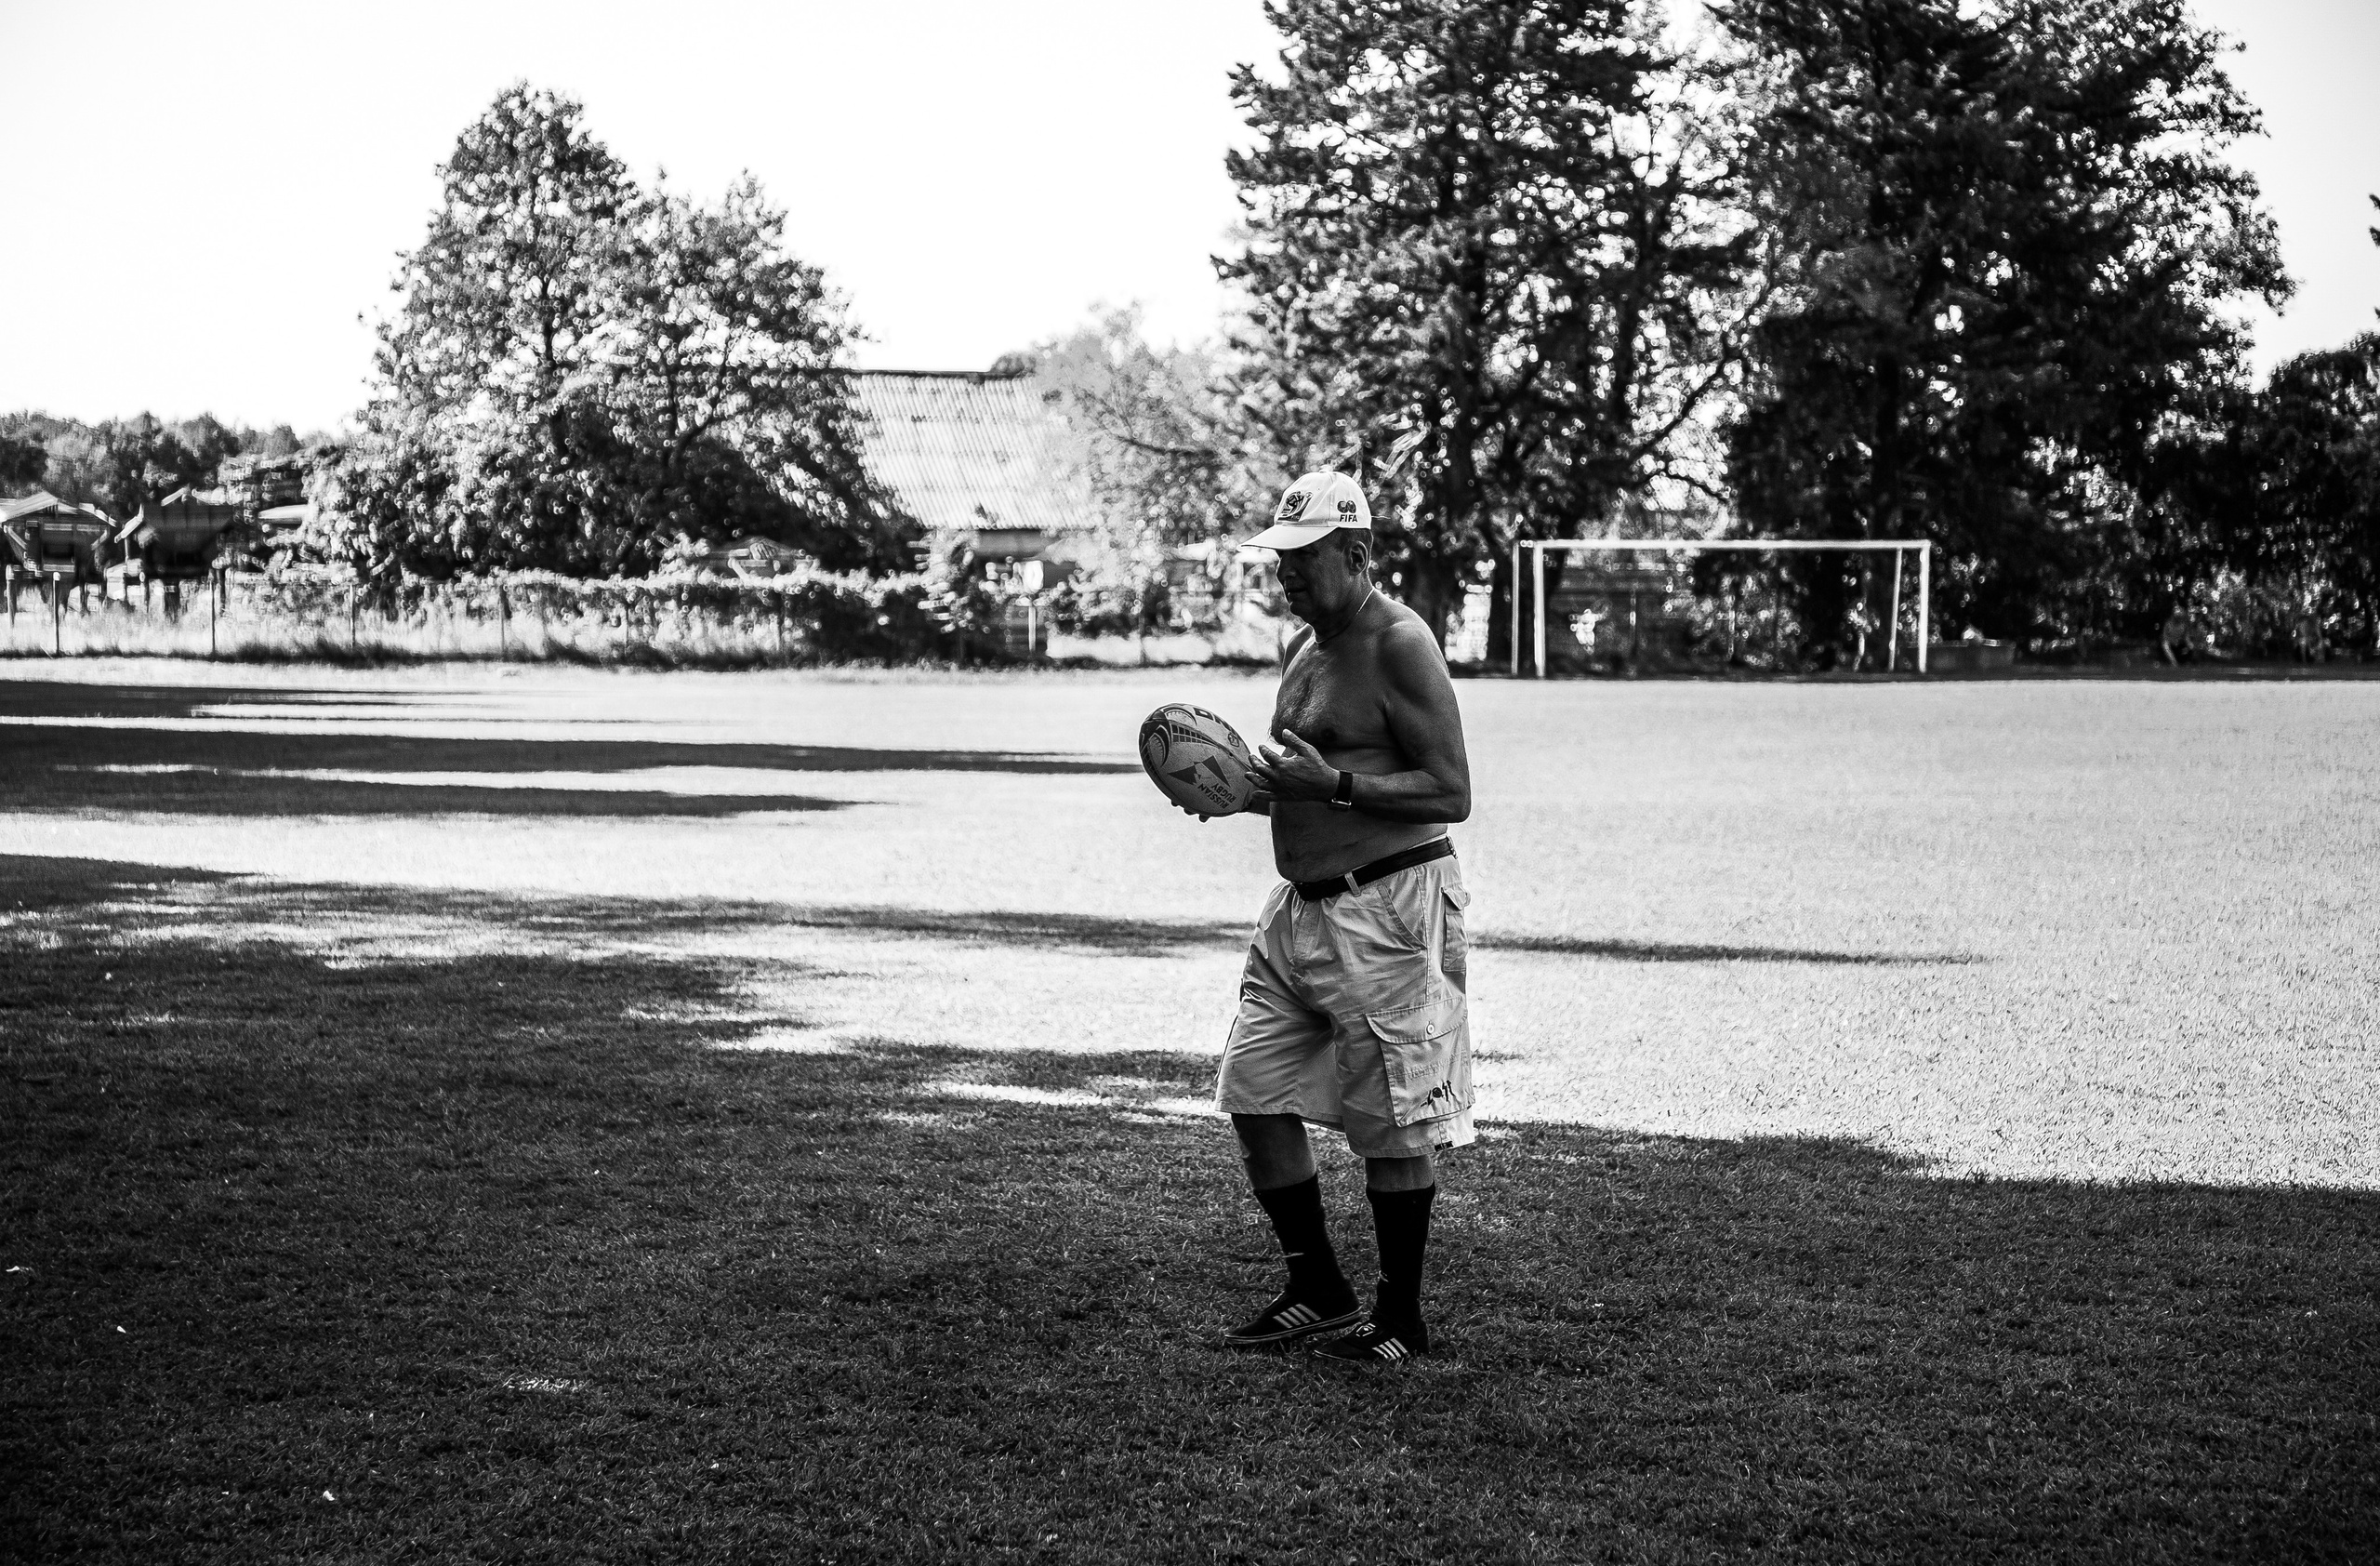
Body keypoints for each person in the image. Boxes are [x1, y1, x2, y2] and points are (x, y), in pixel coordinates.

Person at [1184, 470, 1475, 1364]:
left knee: (1392, 1118)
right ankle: (1318, 1286)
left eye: (1303, 560)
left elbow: (1451, 792)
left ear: (1356, 553)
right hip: (1298, 914)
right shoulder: (1303, 649)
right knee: (1252, 1088)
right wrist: (1236, 794)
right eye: (1279, 562)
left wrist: (1338, 785)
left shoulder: (1400, 644)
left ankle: (1400, 1317)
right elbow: (1300, 786)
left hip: (1386, 907)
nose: (1288, 577)